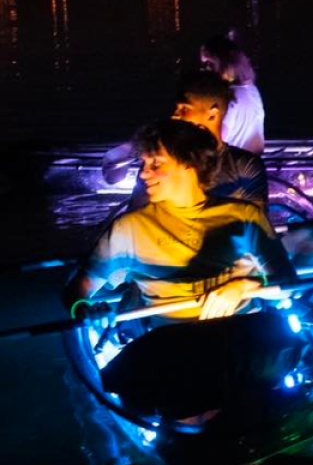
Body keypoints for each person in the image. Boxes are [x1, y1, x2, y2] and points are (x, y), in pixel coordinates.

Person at [66, 119, 292, 321]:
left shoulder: (245, 216)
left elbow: (287, 284)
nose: (144, 173)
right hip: (169, 343)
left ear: (188, 164)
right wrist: (84, 309)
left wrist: (242, 287)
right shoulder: (129, 227)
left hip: (239, 332)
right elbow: (79, 288)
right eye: (143, 164)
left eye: (155, 164)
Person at [126, 71, 266, 208]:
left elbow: (255, 223)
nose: (175, 116)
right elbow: (138, 217)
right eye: (176, 108)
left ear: (212, 114)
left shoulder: (245, 166)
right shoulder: (158, 163)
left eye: (184, 108)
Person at [200, 31, 266, 154]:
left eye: (209, 63)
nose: (204, 69)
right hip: (251, 165)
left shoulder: (229, 96)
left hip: (232, 168)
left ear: (224, 63)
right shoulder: (252, 90)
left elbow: (217, 142)